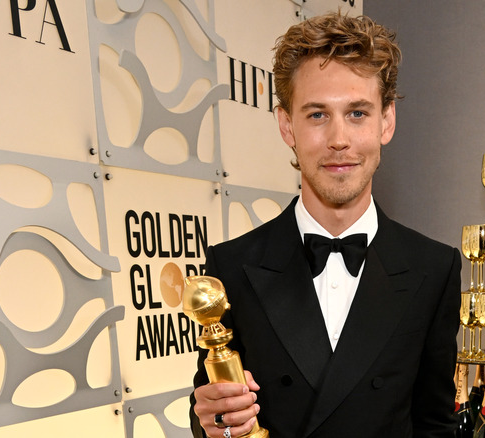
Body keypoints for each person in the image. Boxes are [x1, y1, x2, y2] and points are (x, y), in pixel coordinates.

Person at [190, 11, 461, 438]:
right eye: (317, 115)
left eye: (357, 113)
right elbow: (215, 411)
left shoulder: (434, 267)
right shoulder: (232, 265)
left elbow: (435, 423)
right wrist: (213, 419)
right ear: (286, 125)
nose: (339, 139)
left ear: (386, 122)